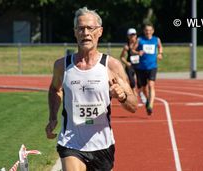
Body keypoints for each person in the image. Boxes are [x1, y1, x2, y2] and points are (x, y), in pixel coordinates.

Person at [45, 7, 137, 171]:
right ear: (75, 32)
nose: (85, 33)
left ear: (100, 32)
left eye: (90, 28)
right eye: (81, 28)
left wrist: (122, 97)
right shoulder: (62, 66)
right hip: (70, 142)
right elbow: (54, 89)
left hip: (102, 145)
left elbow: (133, 105)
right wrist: (53, 117)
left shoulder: (112, 66)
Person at [133, 23, 163, 115]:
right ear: (144, 31)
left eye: (150, 30)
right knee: (144, 89)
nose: (148, 32)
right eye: (146, 30)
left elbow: (160, 47)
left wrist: (160, 53)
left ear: (153, 31)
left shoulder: (156, 39)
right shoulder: (140, 40)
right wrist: (138, 52)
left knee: (151, 85)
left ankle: (150, 105)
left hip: (152, 66)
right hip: (141, 67)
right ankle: (147, 102)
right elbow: (132, 50)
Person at [119, 28, 139, 96]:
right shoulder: (127, 46)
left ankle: (141, 91)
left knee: (141, 81)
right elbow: (121, 57)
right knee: (132, 81)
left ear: (136, 35)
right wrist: (126, 63)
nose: (132, 37)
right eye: (131, 35)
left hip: (139, 65)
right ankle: (133, 91)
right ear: (128, 36)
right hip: (130, 65)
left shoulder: (140, 44)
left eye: (134, 35)